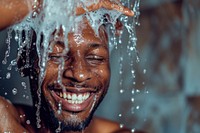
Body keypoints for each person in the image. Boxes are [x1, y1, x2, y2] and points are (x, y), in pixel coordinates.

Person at [0, 0, 145, 132]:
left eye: (95, 58)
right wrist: (52, 4)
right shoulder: (8, 124)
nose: (79, 74)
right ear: (25, 61)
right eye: (57, 56)